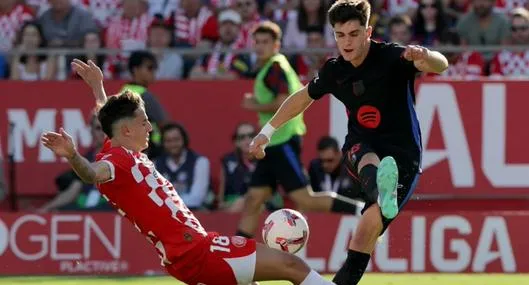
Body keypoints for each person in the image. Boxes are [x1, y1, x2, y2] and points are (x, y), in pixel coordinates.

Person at [41, 58, 335, 285]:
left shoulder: (116, 146)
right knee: (293, 266)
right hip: (197, 251)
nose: (150, 127)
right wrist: (73, 155)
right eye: (145, 121)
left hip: (189, 254)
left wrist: (97, 88)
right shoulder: (118, 162)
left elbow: (110, 119)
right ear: (128, 129)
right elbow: (92, 173)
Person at [248, 0, 448, 284]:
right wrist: (266, 132)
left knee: (367, 228)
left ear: (368, 32)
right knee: (365, 155)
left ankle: (379, 199)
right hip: (361, 144)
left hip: (404, 154)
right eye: (340, 35)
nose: (346, 42)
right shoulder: (335, 70)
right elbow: (302, 98)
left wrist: (425, 56)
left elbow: (442, 65)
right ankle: (381, 189)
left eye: (354, 34)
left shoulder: (392, 57)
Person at [237, 21, 339, 239]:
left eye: (266, 42)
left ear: (277, 45)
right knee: (254, 198)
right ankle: (236, 252)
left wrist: (253, 104)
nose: (260, 46)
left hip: (281, 141)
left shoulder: (275, 67)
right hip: (271, 144)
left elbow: (281, 102)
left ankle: (363, 210)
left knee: (305, 199)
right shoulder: (274, 66)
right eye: (257, 42)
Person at [155, 123, 212, 210]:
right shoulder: (155, 164)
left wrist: (168, 203)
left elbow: (197, 198)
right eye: (168, 141)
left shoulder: (200, 162)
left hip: (195, 214)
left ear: (184, 140)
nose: (173, 144)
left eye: (176, 140)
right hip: (165, 214)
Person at [308, 136, 363, 215]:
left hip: (349, 218)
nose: (325, 165)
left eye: (329, 160)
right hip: (321, 218)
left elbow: (362, 201)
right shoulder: (315, 168)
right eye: (322, 160)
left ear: (339, 154)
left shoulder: (351, 168)